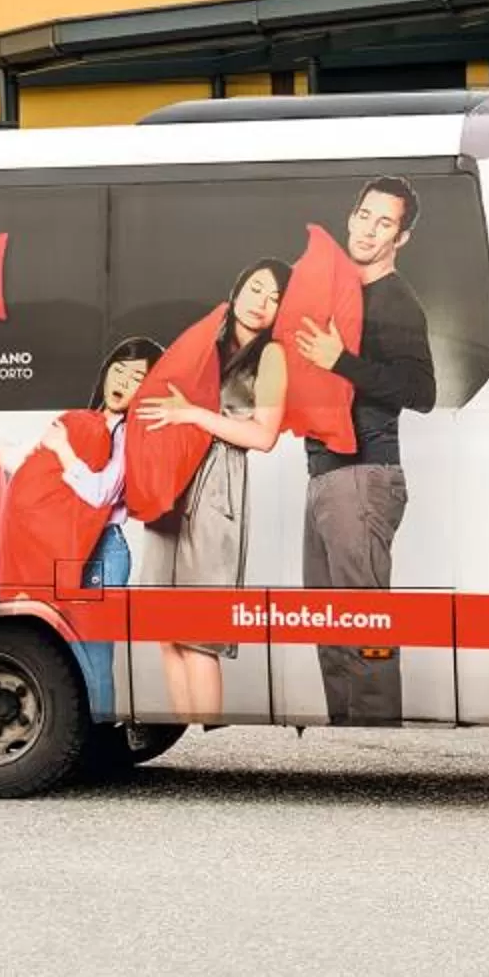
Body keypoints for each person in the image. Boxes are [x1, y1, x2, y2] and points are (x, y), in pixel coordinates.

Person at [290, 178, 437, 724]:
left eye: (385, 223)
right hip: (327, 475)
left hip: (363, 477)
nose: (370, 230)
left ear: (403, 238)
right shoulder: (343, 296)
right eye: (365, 215)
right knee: (329, 625)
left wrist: (340, 361)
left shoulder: (395, 300)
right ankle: (345, 741)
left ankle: (377, 748)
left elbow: (422, 393)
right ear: (351, 217)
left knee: (362, 623)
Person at [133, 261, 291, 722]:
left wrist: (195, 416)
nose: (261, 301)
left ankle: (207, 732)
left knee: (197, 631)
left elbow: (264, 436)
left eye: (274, 296)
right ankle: (185, 730)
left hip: (216, 484)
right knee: (164, 627)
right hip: (172, 480)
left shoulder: (272, 355)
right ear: (237, 289)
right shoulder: (206, 340)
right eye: (255, 288)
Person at [35, 337, 160, 718]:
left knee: (93, 653)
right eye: (119, 369)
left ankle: (98, 733)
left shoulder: (128, 433)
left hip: (103, 550)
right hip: (66, 547)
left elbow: (102, 492)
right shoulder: (83, 422)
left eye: (138, 376)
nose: (123, 380)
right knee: (67, 653)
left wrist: (62, 451)